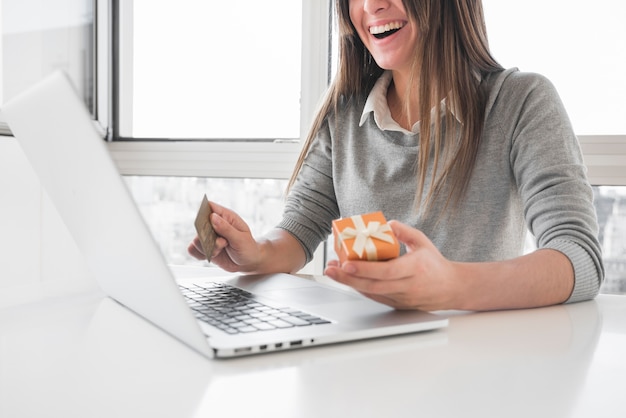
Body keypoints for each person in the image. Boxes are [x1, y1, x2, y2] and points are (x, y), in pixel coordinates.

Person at [188, 0, 604, 312]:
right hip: (363, 365)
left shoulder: (521, 102)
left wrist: (451, 284)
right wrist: (257, 253)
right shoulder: (343, 115)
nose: (370, 6)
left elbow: (578, 257)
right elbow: (298, 234)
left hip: (478, 369)